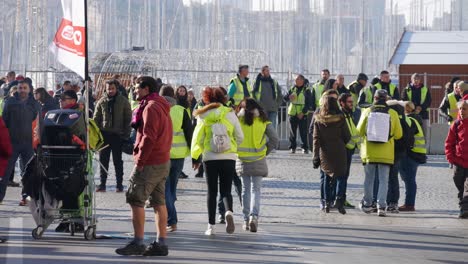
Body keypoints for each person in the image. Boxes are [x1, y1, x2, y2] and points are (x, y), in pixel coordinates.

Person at [116, 76, 172, 256]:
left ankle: (138, 241)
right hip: (162, 160)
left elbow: (149, 137)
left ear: (147, 89)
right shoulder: (160, 105)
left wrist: (140, 161)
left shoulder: (150, 107)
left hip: (150, 162)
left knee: (135, 199)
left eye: (137, 88)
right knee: (158, 201)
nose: (134, 91)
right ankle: (161, 243)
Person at [191, 87, 244, 236]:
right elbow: (240, 136)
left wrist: (197, 155)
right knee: (226, 190)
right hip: (228, 157)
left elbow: (197, 138)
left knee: (212, 192)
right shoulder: (230, 113)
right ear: (223, 98)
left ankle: (210, 226)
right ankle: (228, 211)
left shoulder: (203, 115)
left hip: (210, 158)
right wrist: (232, 147)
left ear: (207, 98)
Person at [357, 89, 403, 217]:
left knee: (369, 179)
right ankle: (381, 206)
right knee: (384, 180)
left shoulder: (367, 111)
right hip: (386, 153)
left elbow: (358, 131)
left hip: (369, 152)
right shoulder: (392, 113)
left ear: (375, 98)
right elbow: (399, 134)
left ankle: (367, 204)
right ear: (386, 99)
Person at [236, 98, 278, 232]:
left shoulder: (238, 121)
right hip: (259, 158)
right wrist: (265, 150)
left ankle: (245, 219)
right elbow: (274, 139)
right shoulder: (263, 121)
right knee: (256, 190)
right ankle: (254, 217)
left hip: (242, 159)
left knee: (245, 190)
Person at [0, 80, 40, 205]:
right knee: (5, 172)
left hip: (28, 143)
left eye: (24, 88)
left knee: (28, 173)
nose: (22, 90)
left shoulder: (34, 103)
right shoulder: (10, 102)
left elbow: (38, 122)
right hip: (12, 143)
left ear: (29, 89)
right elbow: (4, 121)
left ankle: (26, 198)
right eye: (20, 88)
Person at [160, 85, 193, 232]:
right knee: (172, 188)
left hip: (164, 154)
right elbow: (189, 133)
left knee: (166, 189)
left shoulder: (159, 110)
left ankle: (172, 220)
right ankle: (171, 219)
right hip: (179, 155)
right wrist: (195, 156)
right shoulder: (181, 110)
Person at [313, 93, 351, 214]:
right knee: (341, 176)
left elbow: (316, 139)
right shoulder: (340, 118)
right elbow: (347, 135)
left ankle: (326, 202)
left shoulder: (318, 119)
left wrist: (315, 156)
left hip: (325, 151)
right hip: (339, 150)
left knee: (326, 176)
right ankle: (339, 200)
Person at [94, 79, 132, 192]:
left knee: (118, 161)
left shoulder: (123, 101)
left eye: (112, 88)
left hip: (118, 136)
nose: (110, 91)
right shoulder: (101, 101)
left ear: (116, 88)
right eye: (108, 89)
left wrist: (125, 135)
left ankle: (119, 185)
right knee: (103, 161)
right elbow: (96, 119)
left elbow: (128, 119)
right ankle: (102, 184)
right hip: (104, 136)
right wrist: (96, 135)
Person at [397, 101, 427, 212]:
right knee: (410, 179)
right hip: (418, 153)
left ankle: (409, 204)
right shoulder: (416, 119)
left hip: (411, 153)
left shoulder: (409, 120)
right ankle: (409, 203)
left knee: (409, 180)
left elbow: (407, 138)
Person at [446, 99, 468, 219]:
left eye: (464, 109)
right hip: (458, 162)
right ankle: (463, 207)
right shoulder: (456, 124)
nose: (462, 111)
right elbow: (449, 142)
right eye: (460, 109)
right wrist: (450, 158)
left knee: (467, 187)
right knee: (460, 185)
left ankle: (465, 209)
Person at [338, 93, 361, 209]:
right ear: (342, 103)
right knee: (341, 176)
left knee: (345, 176)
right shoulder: (341, 115)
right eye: (349, 102)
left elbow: (354, 132)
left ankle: (343, 198)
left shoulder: (349, 114)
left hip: (349, 150)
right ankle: (339, 200)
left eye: (352, 102)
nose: (352, 104)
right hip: (343, 150)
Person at [284, 74, 312, 154]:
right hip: (292, 113)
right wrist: (289, 97)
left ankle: (305, 147)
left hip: (302, 114)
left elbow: (309, 103)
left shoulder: (306, 90)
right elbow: (285, 99)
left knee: (303, 131)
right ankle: (292, 147)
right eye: (295, 80)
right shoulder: (292, 88)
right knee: (292, 132)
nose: (295, 81)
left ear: (302, 80)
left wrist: (303, 112)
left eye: (297, 79)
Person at [402, 73, 432, 140]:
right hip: (410, 115)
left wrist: (420, 107)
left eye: (417, 79)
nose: (416, 80)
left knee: (424, 133)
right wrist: (413, 108)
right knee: (410, 132)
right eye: (414, 79)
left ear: (420, 80)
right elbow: (404, 100)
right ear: (411, 80)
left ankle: (425, 149)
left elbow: (428, 101)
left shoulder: (425, 89)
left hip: (423, 114)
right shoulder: (406, 89)